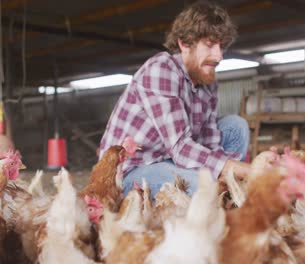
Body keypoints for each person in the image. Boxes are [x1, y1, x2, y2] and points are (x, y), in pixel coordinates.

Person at [99, 1, 251, 198]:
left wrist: (230, 171)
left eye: (221, 46)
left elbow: (210, 141)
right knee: (203, 190)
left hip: (172, 160)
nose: (219, 56)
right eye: (210, 44)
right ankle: (220, 191)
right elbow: (181, 147)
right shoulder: (162, 69)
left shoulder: (209, 82)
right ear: (184, 43)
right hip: (132, 169)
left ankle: (227, 189)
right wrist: (247, 170)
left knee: (236, 125)